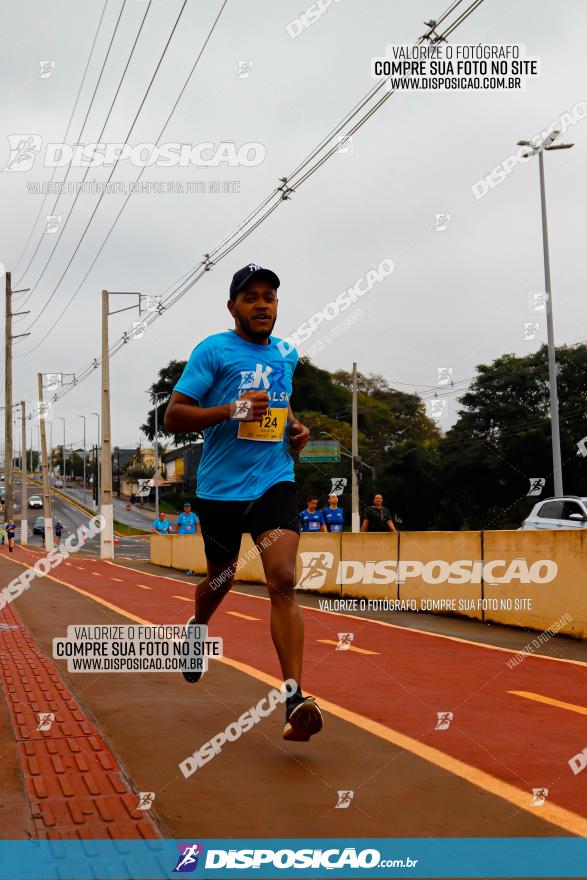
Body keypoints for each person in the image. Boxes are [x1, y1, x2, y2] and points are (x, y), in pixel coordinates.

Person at [164, 262, 323, 742]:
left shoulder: (287, 354)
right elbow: (173, 416)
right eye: (250, 296)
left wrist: (295, 427)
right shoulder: (213, 351)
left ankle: (294, 697)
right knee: (221, 577)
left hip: (274, 481)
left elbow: (280, 403)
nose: (261, 304)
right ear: (232, 306)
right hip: (218, 491)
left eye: (269, 297)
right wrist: (231, 410)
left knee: (283, 578)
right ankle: (198, 626)